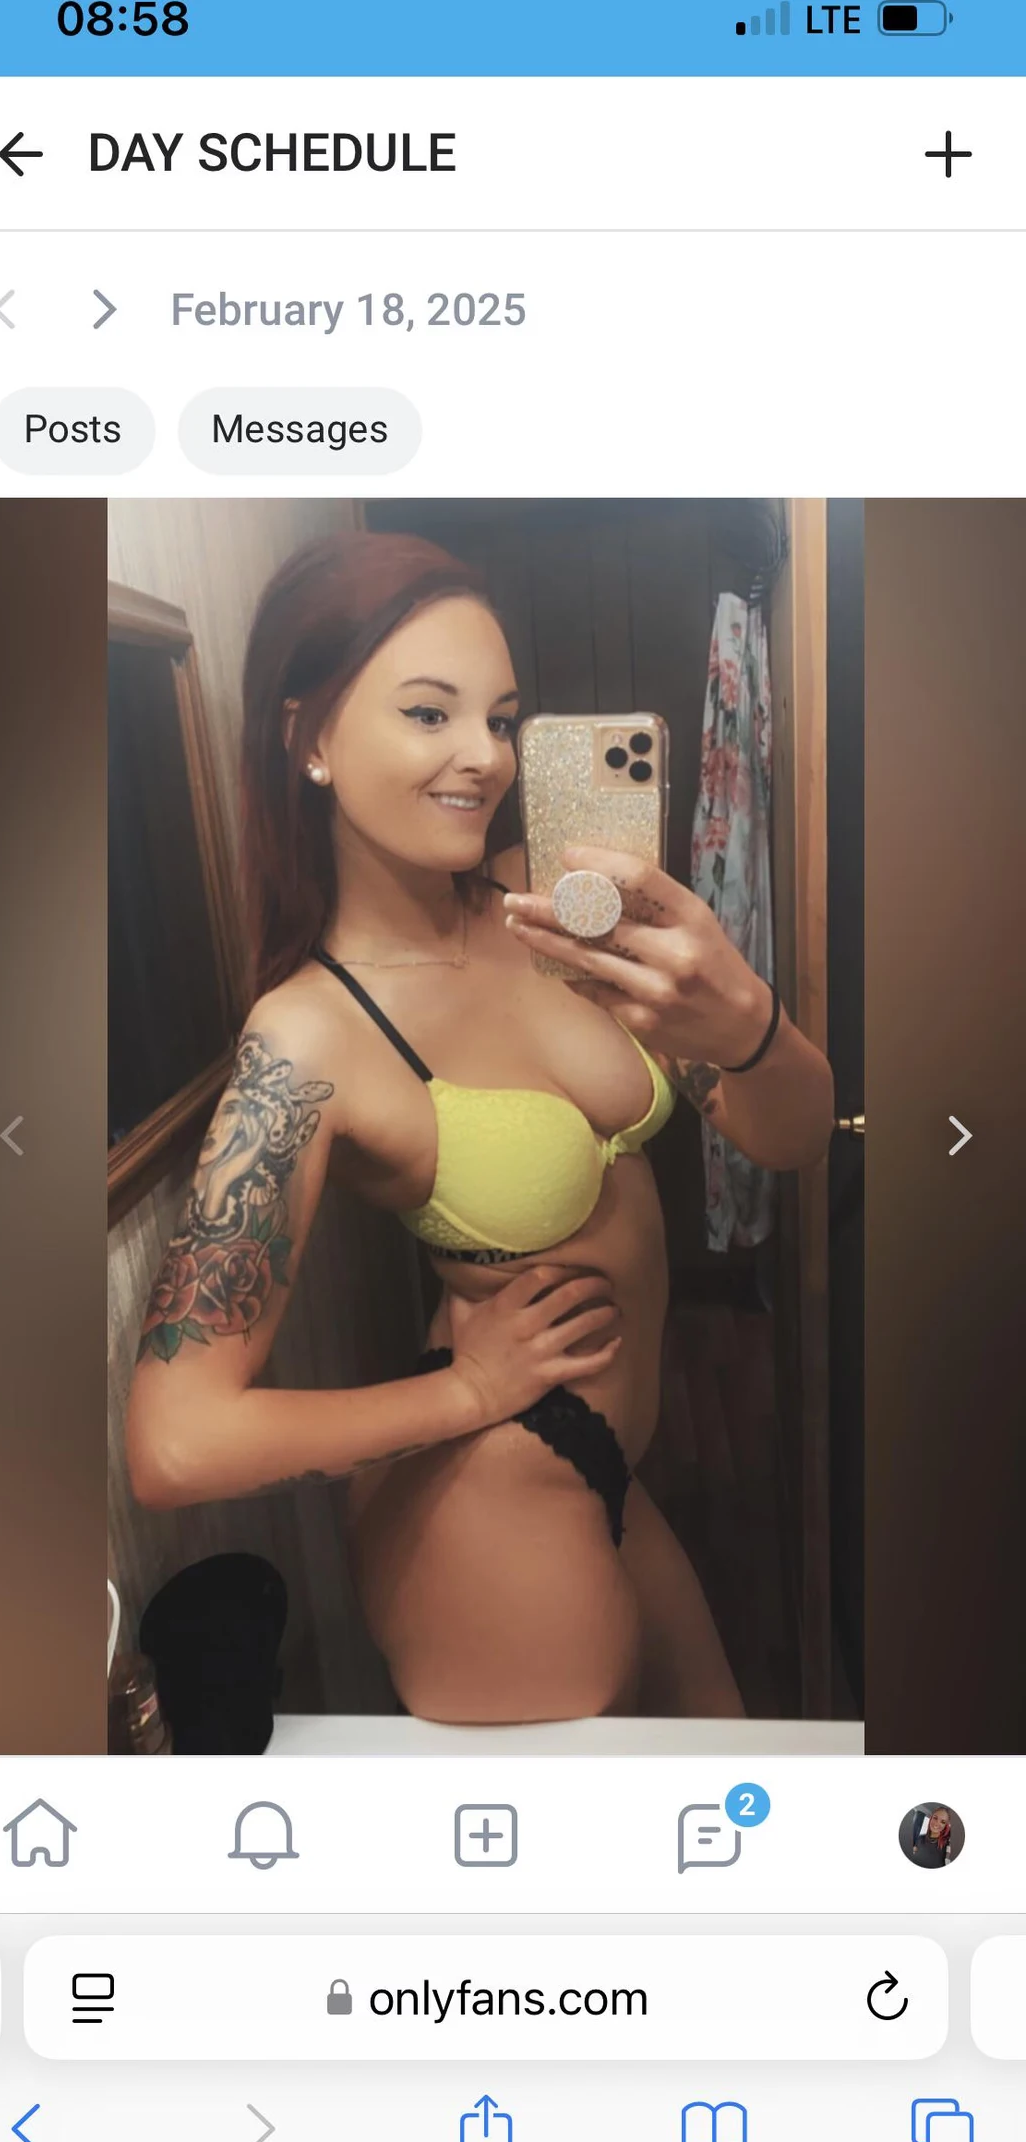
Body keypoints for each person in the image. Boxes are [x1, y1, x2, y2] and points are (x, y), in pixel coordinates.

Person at [126, 531, 834, 1725]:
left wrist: (745, 1022)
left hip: (604, 1466)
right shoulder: (310, 1036)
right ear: (307, 739)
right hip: (497, 1500)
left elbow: (794, 1139)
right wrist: (467, 1393)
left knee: (723, 1762)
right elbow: (174, 1443)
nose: (487, 756)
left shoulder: (547, 905)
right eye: (428, 713)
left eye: (502, 720)